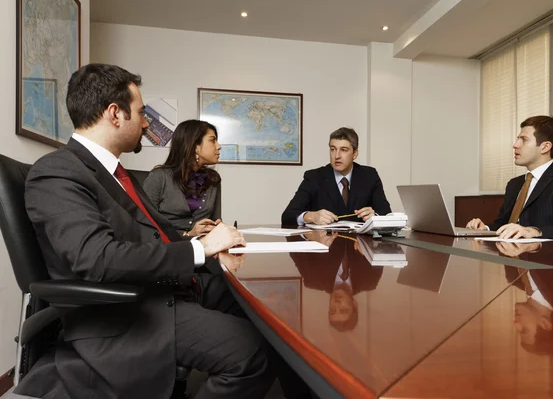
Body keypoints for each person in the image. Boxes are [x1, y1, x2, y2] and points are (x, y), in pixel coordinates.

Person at [15, 63, 304, 399]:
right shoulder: (57, 172)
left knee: (273, 315)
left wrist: (200, 242)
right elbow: (97, 258)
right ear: (114, 114)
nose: (146, 121)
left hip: (170, 287)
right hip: (129, 311)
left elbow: (151, 235)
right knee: (255, 354)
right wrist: (199, 250)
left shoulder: (115, 172)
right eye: (140, 112)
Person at [466, 116, 553, 242]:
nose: (515, 145)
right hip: (509, 255)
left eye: (524, 140)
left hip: (544, 257)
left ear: (545, 147)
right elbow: (504, 224)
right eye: (517, 139)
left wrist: (532, 231)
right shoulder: (514, 184)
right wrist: (485, 229)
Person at [281, 127, 391, 225]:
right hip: (326, 244)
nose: (337, 156)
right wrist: (311, 216)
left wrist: (375, 217)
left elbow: (387, 214)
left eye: (344, 150)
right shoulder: (314, 177)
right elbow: (287, 216)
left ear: (355, 154)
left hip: (360, 245)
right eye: (333, 149)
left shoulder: (369, 176)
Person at [289, 232, 383, 331]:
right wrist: (369, 248)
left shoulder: (312, 279)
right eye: (343, 310)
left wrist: (309, 236)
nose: (336, 304)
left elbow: (292, 241)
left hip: (325, 221)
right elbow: (382, 241)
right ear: (354, 304)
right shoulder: (370, 280)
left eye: (332, 310)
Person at [143, 119, 222, 237]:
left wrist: (218, 227)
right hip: (168, 249)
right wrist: (187, 234)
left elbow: (216, 220)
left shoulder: (213, 179)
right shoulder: (159, 177)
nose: (219, 146)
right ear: (195, 145)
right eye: (212, 140)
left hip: (203, 249)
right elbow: (144, 227)